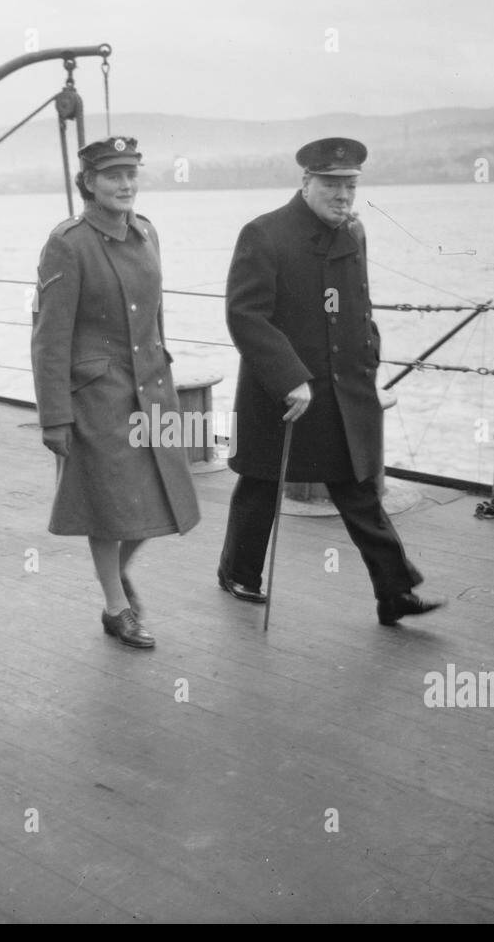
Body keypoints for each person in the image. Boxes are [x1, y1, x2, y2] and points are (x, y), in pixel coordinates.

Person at [217, 138, 444, 625]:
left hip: (344, 389)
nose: (343, 196)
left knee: (358, 489)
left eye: (350, 186)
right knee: (260, 482)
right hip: (284, 392)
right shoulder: (264, 234)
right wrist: (290, 377)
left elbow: (358, 305)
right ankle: (238, 574)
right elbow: (245, 315)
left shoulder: (353, 232)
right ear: (306, 184)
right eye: (332, 186)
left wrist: (371, 354)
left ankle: (395, 593)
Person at [31, 136, 200, 650]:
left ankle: (116, 578)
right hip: (99, 396)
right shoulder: (69, 242)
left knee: (163, 495)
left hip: (152, 387)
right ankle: (115, 606)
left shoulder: (147, 231)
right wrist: (54, 417)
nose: (125, 184)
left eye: (131, 174)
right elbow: (49, 335)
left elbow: (154, 317)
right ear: (88, 183)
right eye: (112, 176)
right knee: (109, 504)